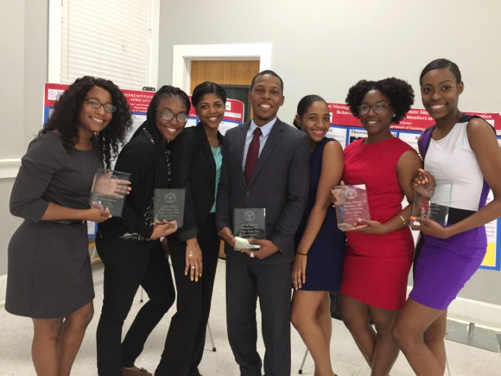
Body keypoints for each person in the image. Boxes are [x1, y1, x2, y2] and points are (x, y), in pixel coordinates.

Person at [6, 76, 132, 376]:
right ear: (76, 103)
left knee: (82, 313)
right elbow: (21, 204)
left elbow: (75, 188)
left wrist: (99, 196)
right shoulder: (50, 144)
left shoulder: (93, 144)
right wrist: (84, 214)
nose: (102, 111)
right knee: (49, 327)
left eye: (109, 106)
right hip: (42, 245)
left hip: (71, 243)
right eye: (94, 103)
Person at [392, 59, 501, 376]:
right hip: (430, 242)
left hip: (460, 244)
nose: (435, 96)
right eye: (428, 90)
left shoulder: (475, 129)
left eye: (445, 87)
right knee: (431, 333)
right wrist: (422, 195)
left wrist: (450, 232)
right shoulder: (426, 137)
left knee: (404, 332)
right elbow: (434, 194)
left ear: (460, 88)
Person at [216, 70, 310, 376]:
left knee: (275, 328)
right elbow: (227, 187)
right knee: (238, 323)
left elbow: (298, 198)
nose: (266, 96)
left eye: (273, 92)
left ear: (282, 100)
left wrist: (280, 243)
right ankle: (248, 371)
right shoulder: (232, 137)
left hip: (274, 253)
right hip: (238, 248)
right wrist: (222, 224)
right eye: (260, 90)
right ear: (250, 96)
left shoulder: (296, 141)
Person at [95, 85, 190, 376]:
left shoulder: (162, 144)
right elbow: (111, 201)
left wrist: (155, 232)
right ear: (153, 112)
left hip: (144, 240)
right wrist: (148, 230)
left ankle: (124, 360)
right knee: (114, 315)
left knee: (163, 295)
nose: (174, 121)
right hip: (123, 241)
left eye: (181, 115)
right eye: (167, 113)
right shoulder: (142, 149)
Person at [338, 78, 421, 376]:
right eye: (365, 107)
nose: (371, 113)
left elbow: (421, 204)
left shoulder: (404, 154)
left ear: (393, 110)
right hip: (355, 247)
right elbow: (347, 191)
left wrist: (385, 227)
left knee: (387, 324)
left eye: (380, 106)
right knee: (350, 315)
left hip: (388, 249)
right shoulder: (350, 150)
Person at [155, 81, 226, 376]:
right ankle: (169, 371)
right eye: (205, 105)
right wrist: (189, 241)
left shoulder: (225, 141)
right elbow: (177, 187)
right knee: (189, 309)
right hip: (189, 232)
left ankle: (189, 367)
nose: (212, 111)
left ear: (225, 106)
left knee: (203, 305)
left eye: (217, 105)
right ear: (196, 109)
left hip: (211, 231)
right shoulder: (187, 139)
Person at [290, 95, 345, 376]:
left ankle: (326, 373)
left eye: (326, 118)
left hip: (320, 240)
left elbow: (323, 203)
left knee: (299, 316)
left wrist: (302, 252)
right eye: (313, 117)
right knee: (320, 308)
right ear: (299, 118)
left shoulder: (331, 148)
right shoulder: (297, 147)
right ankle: (321, 370)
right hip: (300, 234)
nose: (321, 124)